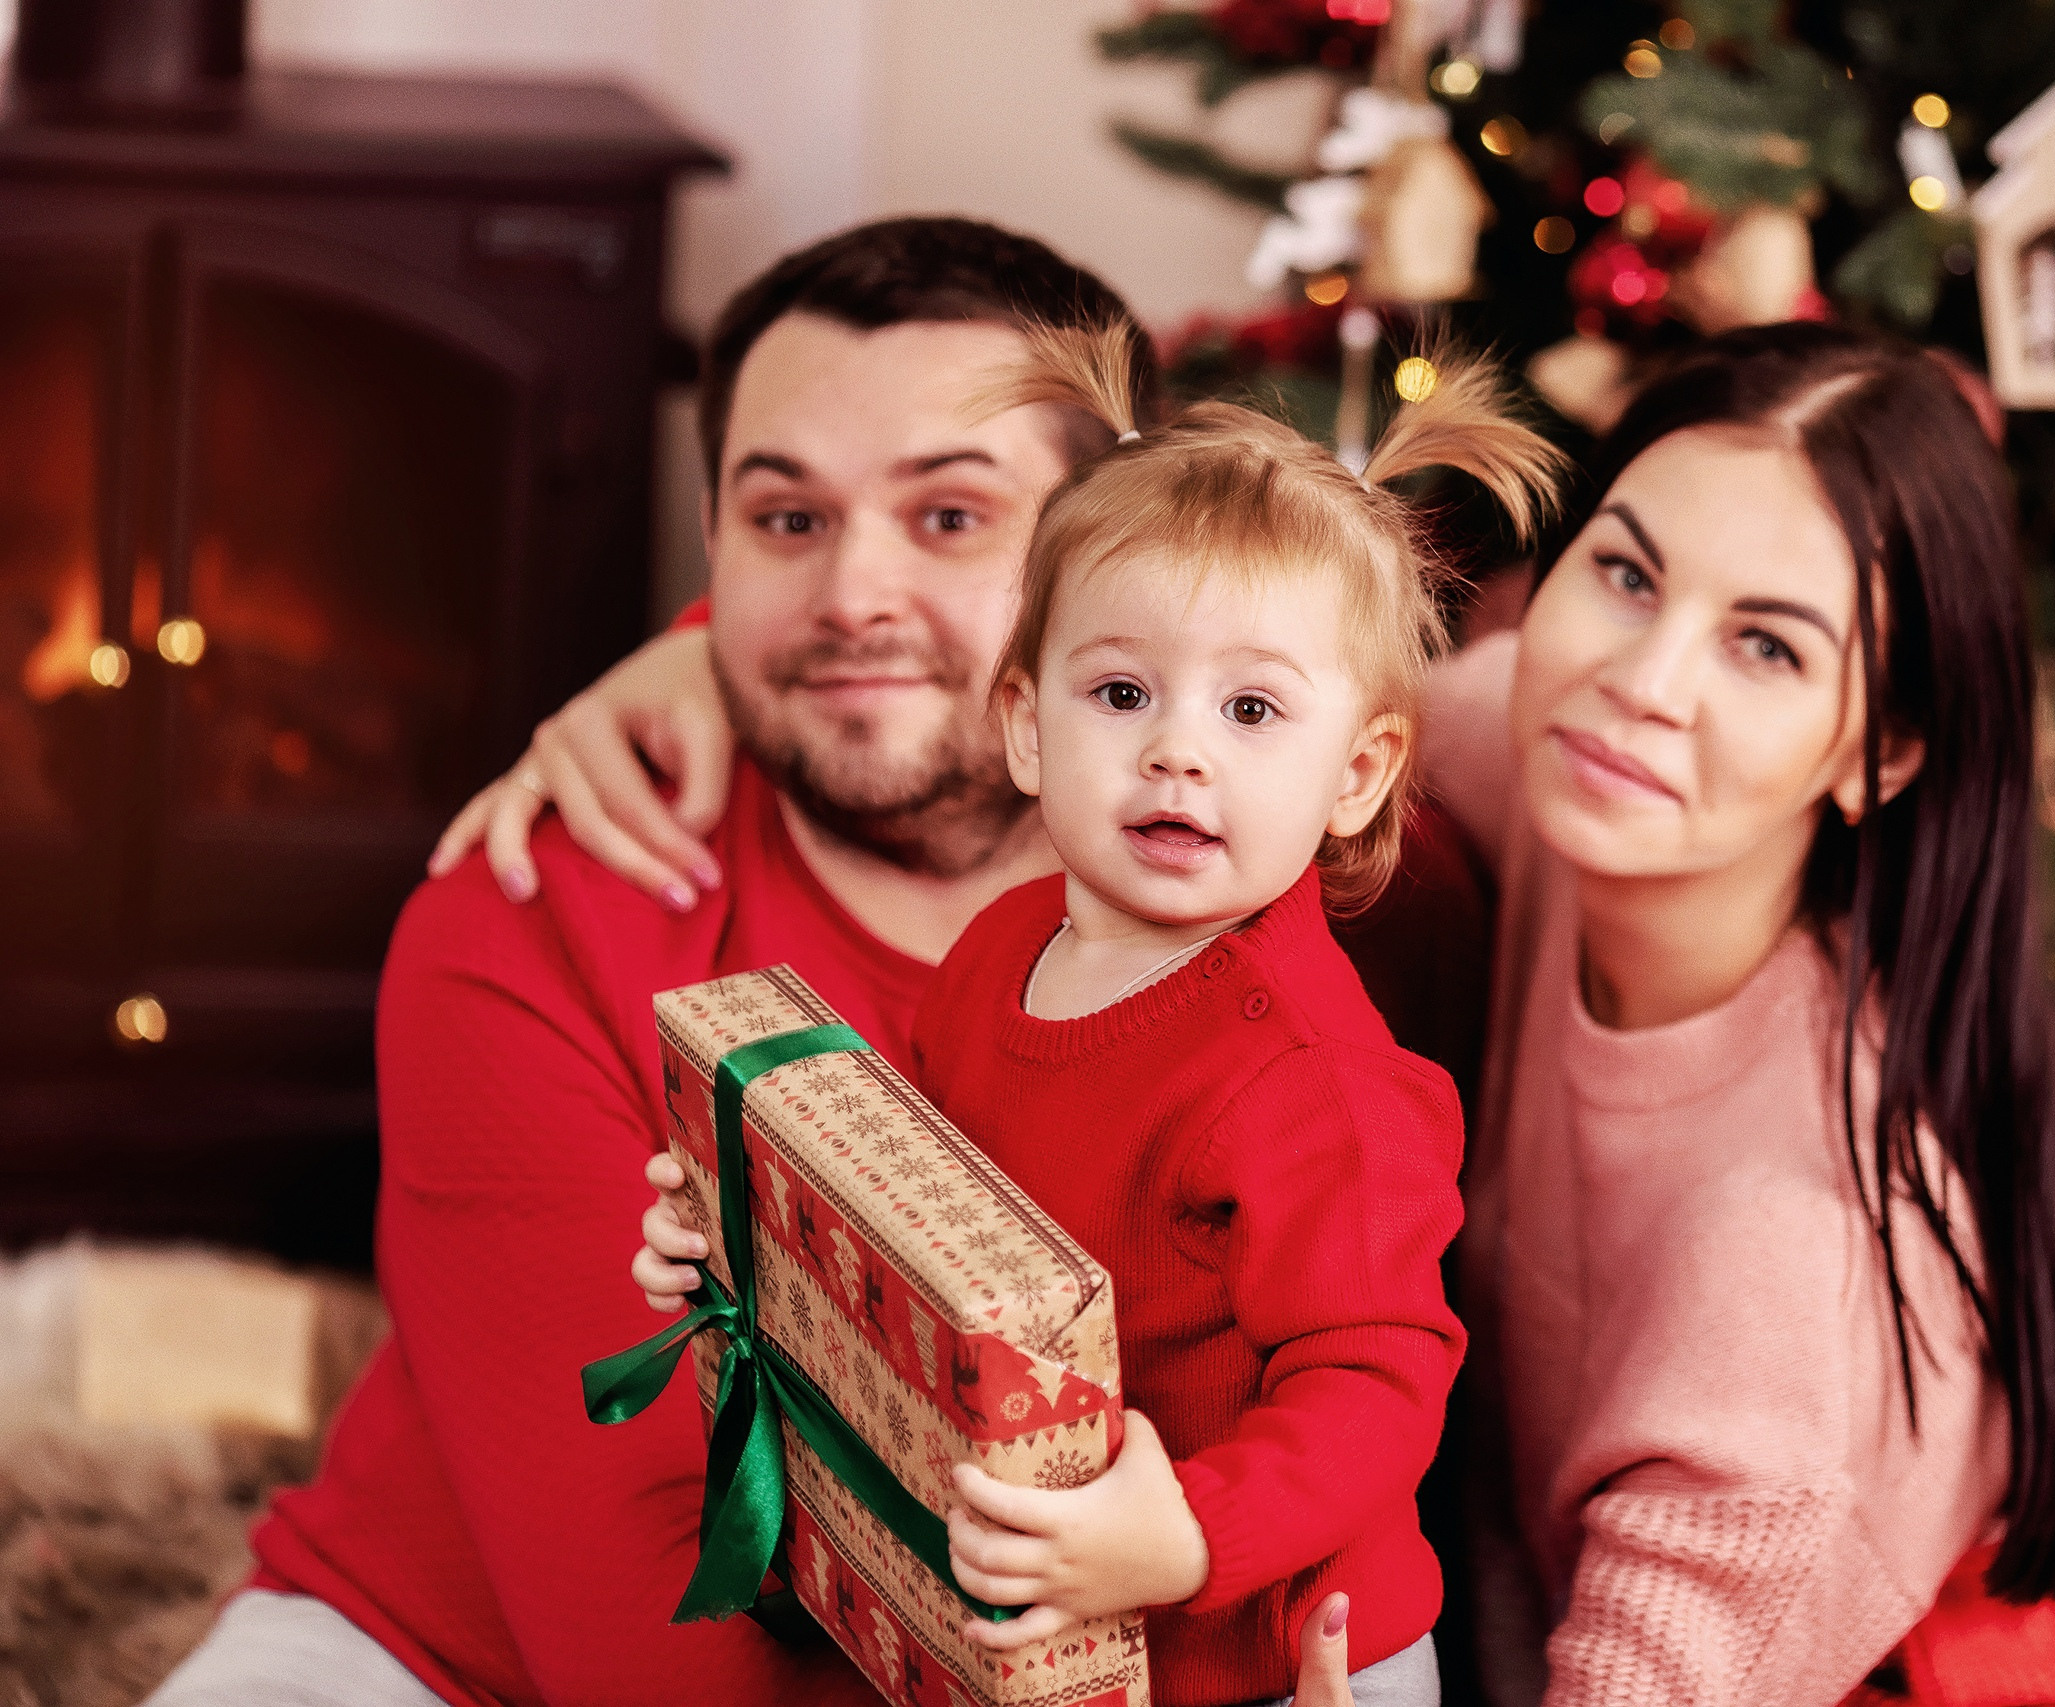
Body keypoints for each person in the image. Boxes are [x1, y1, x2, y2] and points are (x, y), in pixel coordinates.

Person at [466, 322, 2055, 1707]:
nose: (1644, 682)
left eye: (1768, 644)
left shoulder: (1805, 1267)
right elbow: (1190, 608)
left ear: (1881, 751)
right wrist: (727, 666)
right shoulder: (1524, 749)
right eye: (1626, 572)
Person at [143, 216, 1366, 1707]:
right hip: (460, 1657)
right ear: (714, 540)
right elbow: (645, 1613)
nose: (852, 596)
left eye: (951, 516)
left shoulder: (1278, 872)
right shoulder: (531, 912)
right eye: (787, 520)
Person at [622, 323, 1562, 1705]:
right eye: (1122, 693)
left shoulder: (1316, 1081)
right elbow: (926, 1212)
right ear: (1026, 727)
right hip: (1057, 1633)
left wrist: (1189, 1533)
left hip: (1277, 1659)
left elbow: (1378, 1380)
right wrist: (751, 1237)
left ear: (1357, 775)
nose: (1178, 749)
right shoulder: (1001, 948)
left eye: (1253, 710)